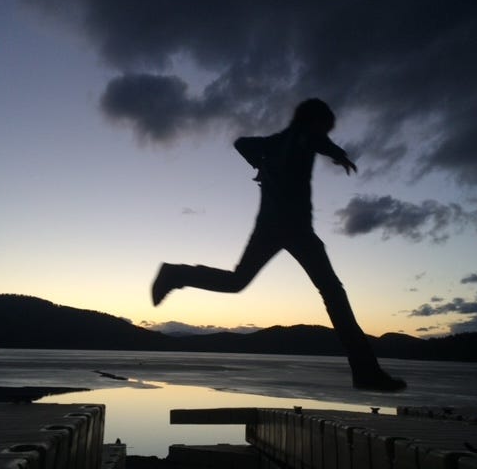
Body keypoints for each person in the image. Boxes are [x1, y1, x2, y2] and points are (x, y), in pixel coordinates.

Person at [151, 98, 406, 391]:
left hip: (272, 227)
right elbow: (313, 140)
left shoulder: (276, 141)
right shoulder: (303, 136)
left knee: (238, 282)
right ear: (313, 122)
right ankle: (365, 372)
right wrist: (338, 153)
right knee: (333, 293)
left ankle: (176, 274)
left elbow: (241, 143)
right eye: (324, 127)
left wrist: (261, 164)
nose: (325, 133)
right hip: (294, 228)